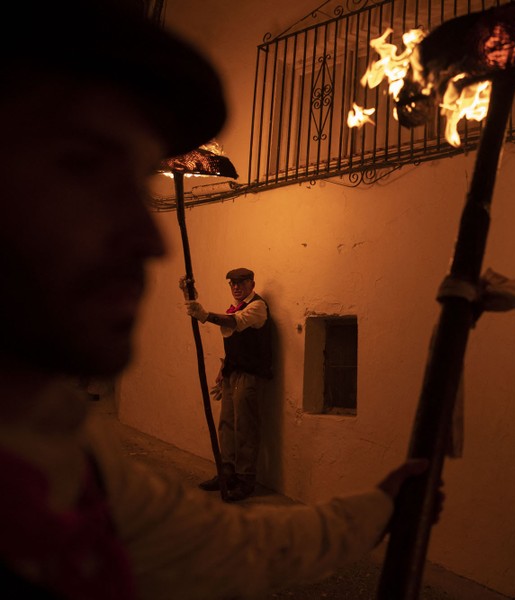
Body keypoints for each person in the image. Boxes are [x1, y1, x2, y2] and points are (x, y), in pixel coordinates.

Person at [0, 1, 438, 598]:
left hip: (247, 379)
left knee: (239, 433)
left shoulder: (72, 453)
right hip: (234, 376)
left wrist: (378, 509)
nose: (149, 239)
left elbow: (229, 547)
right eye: (82, 167)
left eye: (136, 182)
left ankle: (239, 479)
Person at [182, 268, 273, 502]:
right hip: (233, 374)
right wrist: (224, 369)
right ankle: (228, 472)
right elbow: (235, 342)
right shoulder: (235, 307)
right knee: (227, 424)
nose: (236, 287)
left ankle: (245, 479)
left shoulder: (257, 307)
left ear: (252, 283)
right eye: (232, 283)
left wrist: (204, 315)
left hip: (250, 375)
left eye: (241, 282)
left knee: (245, 426)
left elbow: (235, 323)